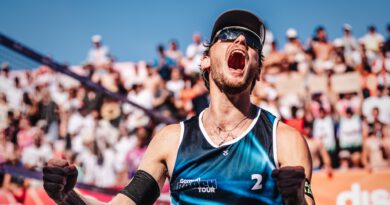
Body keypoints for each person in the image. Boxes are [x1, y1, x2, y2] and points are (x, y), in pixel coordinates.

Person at [43, 10, 314, 205]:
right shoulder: (172, 141)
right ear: (206, 61)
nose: (241, 41)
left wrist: (295, 199)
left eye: (252, 42)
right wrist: (66, 197)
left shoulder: (284, 140)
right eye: (229, 35)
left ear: (257, 70)